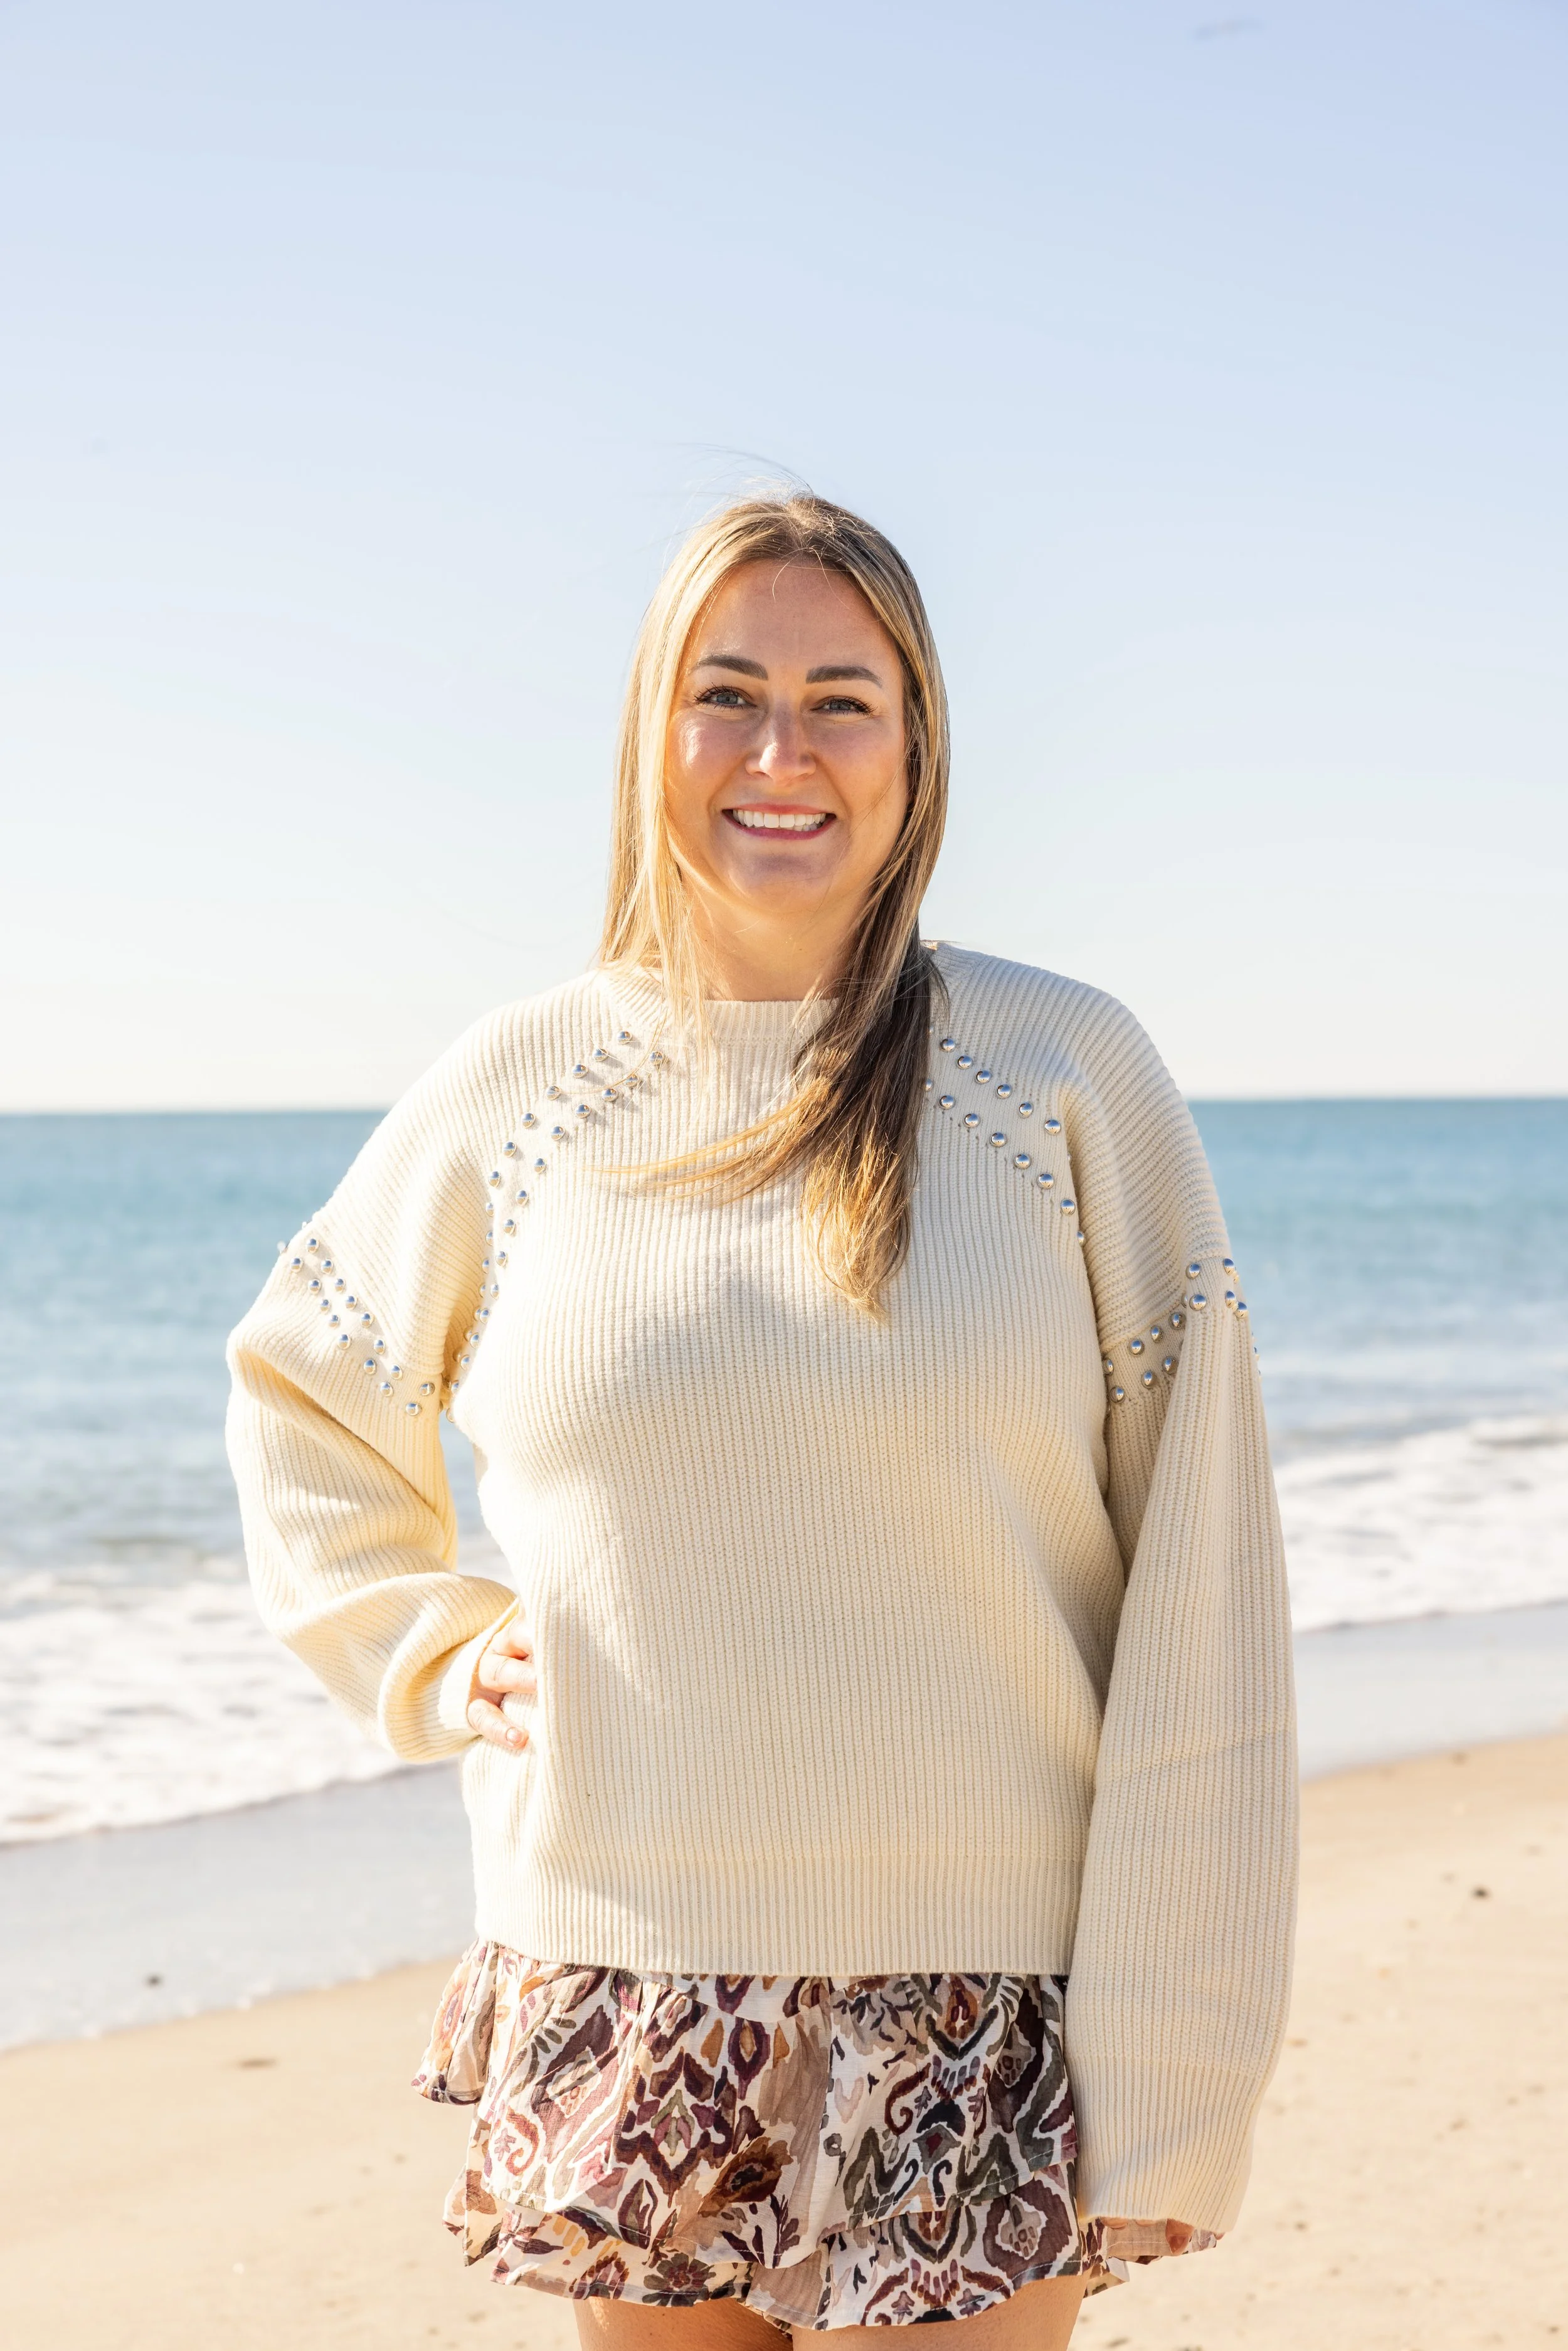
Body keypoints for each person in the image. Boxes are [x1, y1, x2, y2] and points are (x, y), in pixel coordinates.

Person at [226, 492, 1297, 2350]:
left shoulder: (1059, 1076)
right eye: (727, 691)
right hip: (626, 1973)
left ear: (919, 743)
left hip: (988, 1999)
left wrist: (1183, 2056)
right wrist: (434, 1646)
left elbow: (1203, 1593)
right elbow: (306, 1383)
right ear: (653, 728)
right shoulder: (521, 1087)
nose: (779, 751)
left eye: (839, 698)